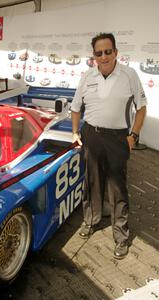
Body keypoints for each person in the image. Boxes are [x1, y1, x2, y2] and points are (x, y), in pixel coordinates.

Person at [71, 32, 147, 259]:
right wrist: (75, 132)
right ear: (93, 55)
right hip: (91, 135)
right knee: (92, 182)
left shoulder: (129, 75)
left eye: (107, 51)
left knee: (117, 189)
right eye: (98, 53)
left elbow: (141, 107)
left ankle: (121, 236)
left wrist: (133, 135)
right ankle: (91, 220)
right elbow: (76, 107)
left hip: (118, 139)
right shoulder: (87, 76)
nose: (103, 57)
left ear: (116, 52)